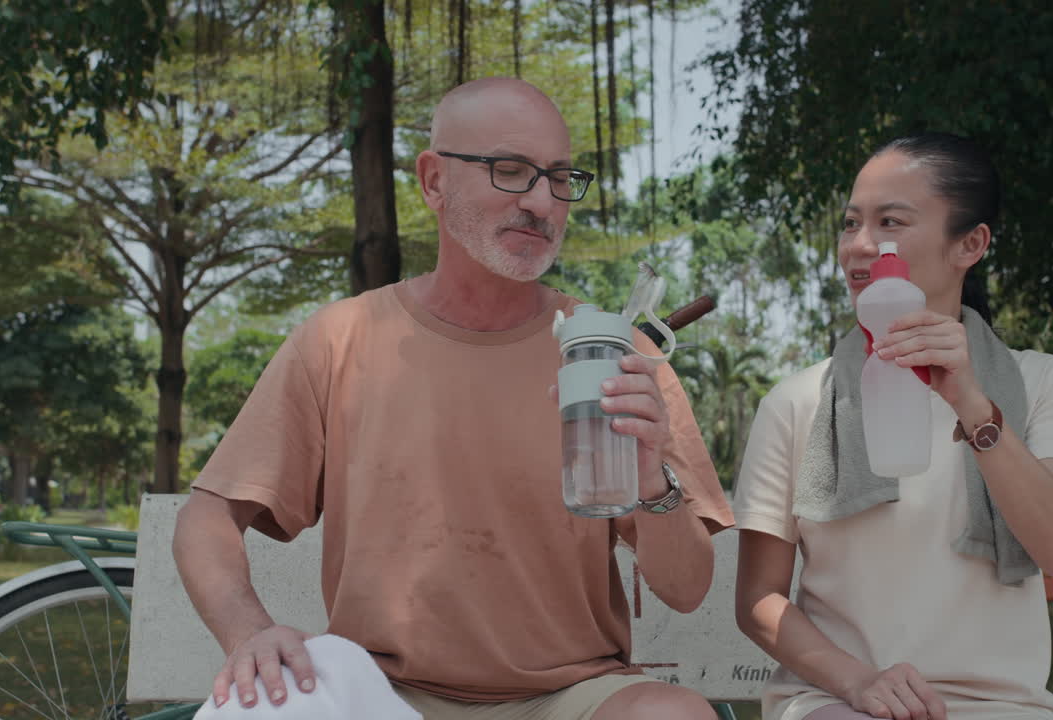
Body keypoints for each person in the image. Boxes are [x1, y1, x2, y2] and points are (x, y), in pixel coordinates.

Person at [172, 76, 733, 720]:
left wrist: (650, 476)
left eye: (558, 178)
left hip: (572, 697)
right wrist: (248, 633)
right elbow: (207, 517)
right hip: (378, 695)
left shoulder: (615, 353)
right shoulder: (339, 340)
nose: (543, 203)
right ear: (434, 181)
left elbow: (687, 590)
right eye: (512, 170)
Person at [732, 133, 1053, 720]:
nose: (859, 245)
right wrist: (859, 683)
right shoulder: (799, 401)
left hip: (1001, 706)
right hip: (839, 701)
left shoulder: (1040, 383)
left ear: (970, 244)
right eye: (851, 223)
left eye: (890, 222)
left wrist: (973, 406)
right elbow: (758, 599)